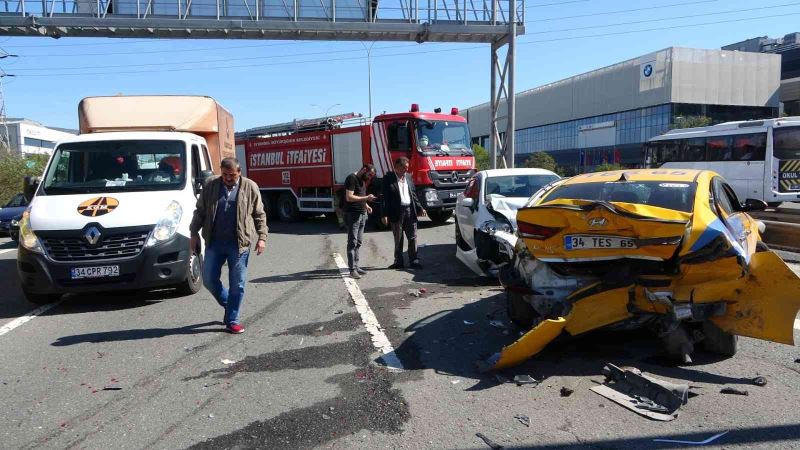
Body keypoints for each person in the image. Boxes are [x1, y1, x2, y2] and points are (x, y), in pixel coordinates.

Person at [189, 157, 267, 334]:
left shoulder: (250, 187)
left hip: (239, 244)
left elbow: (259, 214)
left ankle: (232, 319)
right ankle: (229, 304)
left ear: (239, 172)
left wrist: (262, 237)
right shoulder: (211, 185)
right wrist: (193, 232)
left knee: (237, 284)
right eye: (225, 174)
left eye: (232, 175)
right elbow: (200, 211)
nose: (228, 178)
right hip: (214, 242)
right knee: (208, 279)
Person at [382, 156, 426, 269]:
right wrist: (384, 214)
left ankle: (414, 260)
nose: (406, 169)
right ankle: (398, 261)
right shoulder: (388, 179)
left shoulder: (408, 177)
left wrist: (420, 208)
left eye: (407, 167)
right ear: (397, 167)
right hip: (396, 212)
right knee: (398, 238)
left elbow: (413, 194)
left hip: (410, 210)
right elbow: (385, 198)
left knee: (413, 236)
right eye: (404, 167)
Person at [344, 164, 377, 279]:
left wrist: (367, 205)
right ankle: (352, 270)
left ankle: (356, 266)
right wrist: (366, 198)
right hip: (353, 214)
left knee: (358, 242)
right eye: (369, 175)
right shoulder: (351, 178)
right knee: (352, 242)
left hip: (362, 214)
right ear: (364, 170)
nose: (370, 178)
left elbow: (360, 195)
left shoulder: (363, 180)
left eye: (372, 176)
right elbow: (349, 197)